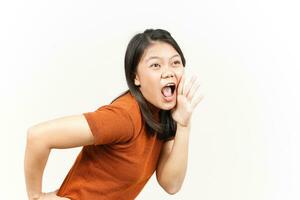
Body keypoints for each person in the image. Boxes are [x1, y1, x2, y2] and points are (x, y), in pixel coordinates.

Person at [24, 28, 203, 200]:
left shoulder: (164, 115)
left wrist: (184, 125)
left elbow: (170, 184)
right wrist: (36, 197)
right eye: (155, 65)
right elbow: (38, 136)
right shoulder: (123, 117)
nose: (168, 72)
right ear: (136, 77)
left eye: (175, 63)